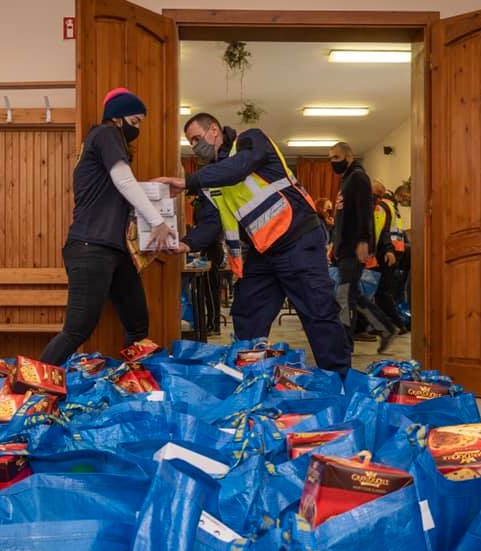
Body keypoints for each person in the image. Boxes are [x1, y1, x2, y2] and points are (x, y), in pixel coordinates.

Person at [155, 113, 351, 376]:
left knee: (318, 312)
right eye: (191, 143)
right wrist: (185, 245)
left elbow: (238, 168)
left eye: (196, 139)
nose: (195, 147)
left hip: (297, 240)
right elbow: (212, 223)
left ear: (214, 130)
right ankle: (252, 376)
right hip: (264, 252)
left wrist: (188, 181)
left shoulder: (250, 141)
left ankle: (340, 381)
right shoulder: (211, 180)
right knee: (247, 312)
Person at [39, 88, 176, 365]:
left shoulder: (101, 143)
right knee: (77, 329)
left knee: (137, 324)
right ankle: (29, 389)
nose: (137, 129)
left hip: (115, 251)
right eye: (135, 122)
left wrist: (157, 193)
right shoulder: (106, 134)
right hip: (91, 247)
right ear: (117, 118)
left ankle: (131, 383)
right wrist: (158, 222)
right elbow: (124, 182)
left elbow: (122, 189)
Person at [328, 142, 396, 354]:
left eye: (337, 158)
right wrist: (334, 243)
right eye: (330, 159)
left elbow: (364, 211)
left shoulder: (358, 177)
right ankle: (386, 328)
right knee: (353, 294)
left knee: (344, 294)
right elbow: (343, 216)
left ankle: (344, 344)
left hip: (353, 247)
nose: (333, 163)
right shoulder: (347, 179)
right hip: (344, 247)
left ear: (349, 157)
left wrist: (364, 241)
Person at [369, 179, 408, 334]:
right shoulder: (392, 206)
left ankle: (396, 325)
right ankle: (383, 325)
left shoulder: (381, 207)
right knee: (381, 291)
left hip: (386, 253)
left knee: (380, 292)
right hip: (394, 250)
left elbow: (379, 231)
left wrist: (373, 251)